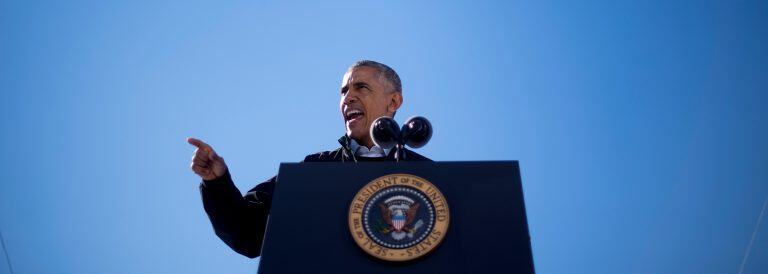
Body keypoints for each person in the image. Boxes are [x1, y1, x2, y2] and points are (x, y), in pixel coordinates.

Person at [187, 60, 432, 258]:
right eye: (344, 91)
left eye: (361, 87)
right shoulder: (315, 170)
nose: (348, 98)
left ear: (393, 101)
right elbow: (247, 234)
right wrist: (217, 182)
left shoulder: (427, 175)